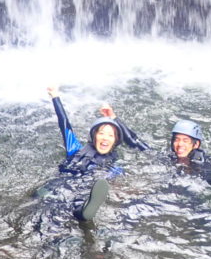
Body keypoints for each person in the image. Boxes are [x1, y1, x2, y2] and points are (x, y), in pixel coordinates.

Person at [45, 86, 147, 221]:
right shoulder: (74, 148)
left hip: (83, 189)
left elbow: (119, 183)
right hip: (60, 183)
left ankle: (82, 211)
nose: (105, 138)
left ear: (115, 141)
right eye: (102, 133)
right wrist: (55, 96)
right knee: (41, 197)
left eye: (110, 135)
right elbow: (64, 124)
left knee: (81, 198)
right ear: (94, 136)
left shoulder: (114, 168)